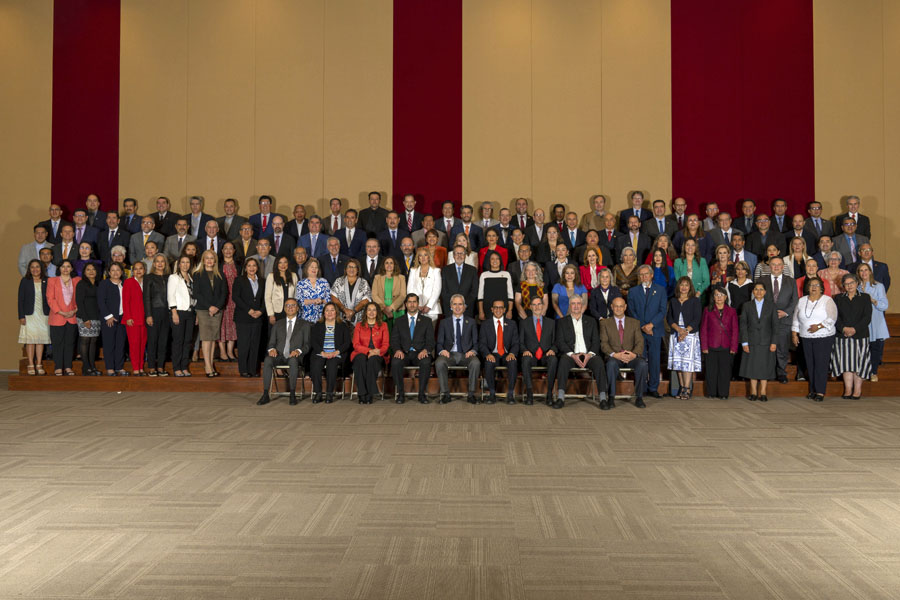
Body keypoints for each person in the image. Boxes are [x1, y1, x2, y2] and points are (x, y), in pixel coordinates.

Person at [554, 295, 608, 409]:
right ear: (570, 306)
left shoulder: (591, 321)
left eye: (578, 303)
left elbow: (596, 342)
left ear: (582, 305)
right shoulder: (562, 322)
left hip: (588, 355)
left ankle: (603, 398)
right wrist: (573, 355)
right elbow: (560, 342)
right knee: (563, 361)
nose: (576, 306)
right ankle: (560, 397)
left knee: (599, 362)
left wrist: (589, 355)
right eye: (573, 304)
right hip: (570, 355)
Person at [791, 277, 836, 402]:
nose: (814, 287)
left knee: (820, 364)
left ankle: (820, 391)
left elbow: (832, 318)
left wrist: (819, 326)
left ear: (821, 287)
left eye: (816, 285)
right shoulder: (801, 300)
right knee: (810, 364)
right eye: (811, 285)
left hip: (823, 337)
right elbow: (795, 318)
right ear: (807, 287)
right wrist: (794, 334)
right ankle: (812, 390)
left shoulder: (827, 300)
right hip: (806, 337)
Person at [257, 298, 310, 406]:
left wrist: (298, 351)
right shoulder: (277, 324)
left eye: (293, 305)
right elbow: (271, 343)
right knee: (267, 360)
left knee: (293, 361)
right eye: (287, 305)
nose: (290, 307)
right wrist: (271, 350)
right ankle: (266, 394)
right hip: (279, 355)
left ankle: (292, 394)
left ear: (298, 308)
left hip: (294, 356)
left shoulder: (305, 325)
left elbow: (308, 345)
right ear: (284, 308)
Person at [600, 296, 648, 407]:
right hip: (615, 356)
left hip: (631, 356)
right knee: (611, 364)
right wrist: (615, 355)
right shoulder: (605, 323)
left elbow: (640, 342)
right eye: (616, 306)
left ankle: (639, 397)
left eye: (621, 306)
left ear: (625, 307)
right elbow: (604, 343)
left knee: (642, 364)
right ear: (611, 307)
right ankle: (611, 397)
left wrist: (634, 354)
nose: (618, 308)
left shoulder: (634, 322)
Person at [831, 274, 873, 399]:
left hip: (860, 335)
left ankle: (857, 390)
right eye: (846, 284)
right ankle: (848, 389)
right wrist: (843, 328)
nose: (849, 286)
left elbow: (867, 317)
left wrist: (854, 329)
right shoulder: (838, 298)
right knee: (845, 363)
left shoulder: (865, 298)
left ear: (857, 283)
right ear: (843, 286)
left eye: (852, 283)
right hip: (842, 336)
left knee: (859, 364)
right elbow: (834, 317)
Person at [434, 294, 481, 404]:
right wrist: (442, 350)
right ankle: (446, 394)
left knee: (476, 363)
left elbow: (476, 343)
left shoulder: (472, 322)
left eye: (460, 304)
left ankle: (471, 394)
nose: (457, 307)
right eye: (455, 304)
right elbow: (439, 343)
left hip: (466, 354)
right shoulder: (444, 322)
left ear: (464, 306)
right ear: (450, 306)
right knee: (439, 362)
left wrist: (473, 351)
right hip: (449, 354)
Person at [627, 265, 666, 398]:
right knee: (641, 360)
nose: (644, 277)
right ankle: (641, 388)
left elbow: (662, 310)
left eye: (646, 274)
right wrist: (643, 326)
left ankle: (653, 388)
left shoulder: (660, 290)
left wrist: (651, 325)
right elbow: (631, 311)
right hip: (639, 331)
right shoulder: (633, 291)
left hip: (655, 330)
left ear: (651, 275)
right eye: (641, 275)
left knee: (655, 360)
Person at [389, 294, 435, 404]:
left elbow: (431, 341)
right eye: (409, 302)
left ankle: (422, 394)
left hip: (420, 353)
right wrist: (397, 350)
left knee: (426, 362)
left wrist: (425, 350)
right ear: (405, 304)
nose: (412, 304)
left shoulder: (426, 321)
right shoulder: (399, 321)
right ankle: (400, 394)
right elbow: (394, 340)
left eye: (414, 302)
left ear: (418, 304)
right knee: (395, 362)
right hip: (404, 353)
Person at [740, 282, 779, 401]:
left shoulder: (771, 306)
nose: (758, 292)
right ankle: (752, 392)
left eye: (761, 289)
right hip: (751, 342)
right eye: (756, 289)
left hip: (766, 342)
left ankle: (763, 392)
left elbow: (775, 326)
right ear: (753, 291)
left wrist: (774, 342)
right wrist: (745, 342)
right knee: (752, 367)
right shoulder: (747, 306)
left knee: (764, 367)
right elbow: (743, 325)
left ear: (765, 292)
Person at [761, 257, 797, 384]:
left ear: (783, 267)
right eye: (773, 265)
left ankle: (781, 372)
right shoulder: (761, 280)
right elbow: (758, 299)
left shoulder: (791, 281)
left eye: (779, 265)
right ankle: (769, 373)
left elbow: (794, 300)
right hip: (766, 320)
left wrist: (786, 312)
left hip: (784, 319)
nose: (776, 267)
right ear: (769, 266)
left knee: (782, 348)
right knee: (767, 348)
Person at [666, 277, 702, 399]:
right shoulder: (673, 301)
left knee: (687, 364)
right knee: (678, 364)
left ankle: (687, 388)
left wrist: (685, 331)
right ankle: (681, 387)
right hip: (676, 333)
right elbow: (669, 318)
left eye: (686, 285)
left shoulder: (695, 301)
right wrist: (678, 330)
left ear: (690, 287)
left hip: (690, 335)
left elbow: (697, 319)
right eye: (682, 285)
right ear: (678, 287)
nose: (684, 287)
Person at [700, 286, 738, 399]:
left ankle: (723, 393)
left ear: (726, 297)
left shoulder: (732, 311)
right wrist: (704, 346)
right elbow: (703, 329)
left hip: (726, 345)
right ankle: (711, 393)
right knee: (711, 371)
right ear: (713, 297)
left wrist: (734, 347)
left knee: (725, 371)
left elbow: (735, 330)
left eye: (721, 295)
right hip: (711, 345)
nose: (719, 297)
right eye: (716, 295)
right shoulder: (708, 310)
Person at [192, 250, 226, 377]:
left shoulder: (220, 274)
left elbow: (224, 293)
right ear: (203, 260)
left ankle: (211, 364)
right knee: (206, 338)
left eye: (212, 258)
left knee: (213, 339)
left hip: (217, 310)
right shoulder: (197, 274)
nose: (210, 260)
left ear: (215, 260)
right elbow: (196, 293)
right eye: (207, 258)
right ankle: (207, 366)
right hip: (203, 310)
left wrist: (216, 307)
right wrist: (209, 307)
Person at [308, 302, 351, 403]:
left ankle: (329, 393)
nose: (329, 312)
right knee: (316, 364)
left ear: (336, 312)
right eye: (327, 310)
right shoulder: (318, 325)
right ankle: (318, 393)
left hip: (337, 353)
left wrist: (336, 352)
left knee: (332, 364)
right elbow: (313, 342)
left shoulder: (342, 326)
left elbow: (347, 343)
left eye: (332, 310)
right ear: (324, 313)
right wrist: (322, 352)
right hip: (321, 353)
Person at [519, 294, 558, 406]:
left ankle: (549, 394)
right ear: (530, 307)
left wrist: (553, 349)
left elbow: (556, 342)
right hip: (531, 354)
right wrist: (524, 350)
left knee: (553, 359)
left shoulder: (551, 323)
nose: (537, 307)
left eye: (539, 304)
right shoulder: (524, 323)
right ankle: (530, 394)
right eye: (534, 305)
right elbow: (520, 342)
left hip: (546, 354)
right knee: (525, 360)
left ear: (543, 306)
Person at [479, 299, 519, 405]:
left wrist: (512, 353)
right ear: (492, 309)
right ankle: (491, 394)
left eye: (500, 307)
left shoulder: (512, 324)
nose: (498, 310)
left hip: (507, 354)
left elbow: (516, 343)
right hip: (493, 354)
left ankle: (510, 394)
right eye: (495, 307)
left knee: (513, 362)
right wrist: (488, 354)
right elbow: (482, 344)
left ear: (504, 310)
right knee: (488, 362)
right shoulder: (485, 324)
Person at [232, 257, 265, 378]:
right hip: (243, 317)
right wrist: (249, 310)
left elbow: (264, 300)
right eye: (249, 266)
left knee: (254, 345)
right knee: (244, 344)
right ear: (245, 268)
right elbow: (236, 297)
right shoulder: (239, 280)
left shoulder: (262, 281)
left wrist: (261, 312)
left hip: (258, 318)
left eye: (254, 266)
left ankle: (253, 369)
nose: (252, 268)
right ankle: (244, 370)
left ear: (257, 268)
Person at [351, 302, 390, 405]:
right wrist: (368, 351)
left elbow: (386, 344)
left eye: (374, 310)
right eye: (369, 310)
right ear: (365, 312)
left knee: (372, 361)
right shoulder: (359, 325)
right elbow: (356, 344)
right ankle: (362, 393)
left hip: (378, 354)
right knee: (360, 360)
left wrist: (378, 351)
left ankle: (368, 394)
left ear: (377, 312)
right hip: (361, 353)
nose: (371, 312)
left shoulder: (383, 326)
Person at [856, 263, 889, 382]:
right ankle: (864, 372)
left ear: (870, 272)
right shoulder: (856, 287)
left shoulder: (878, 286)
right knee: (863, 350)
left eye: (866, 270)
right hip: (862, 323)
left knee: (875, 349)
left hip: (876, 321)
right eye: (861, 271)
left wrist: (872, 300)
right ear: (858, 273)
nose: (864, 273)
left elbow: (884, 305)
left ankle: (873, 372)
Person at [46, 260, 80, 376]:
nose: (65, 269)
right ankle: (58, 367)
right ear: (59, 269)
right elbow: (50, 299)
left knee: (70, 343)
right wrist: (61, 312)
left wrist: (74, 310)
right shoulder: (52, 281)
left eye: (68, 266)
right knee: (57, 343)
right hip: (57, 317)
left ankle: (68, 367)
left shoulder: (77, 281)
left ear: (71, 269)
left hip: (72, 316)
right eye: (63, 266)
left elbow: (79, 298)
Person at [18, 259, 50, 375]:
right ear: (29, 269)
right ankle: (31, 364)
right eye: (32, 267)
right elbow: (20, 300)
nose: (35, 269)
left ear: (41, 268)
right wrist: (21, 316)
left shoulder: (47, 281)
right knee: (30, 341)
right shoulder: (25, 281)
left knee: (40, 340)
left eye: (37, 267)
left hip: (43, 315)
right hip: (29, 315)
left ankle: (39, 364)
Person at [97, 263, 128, 376]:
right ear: (109, 272)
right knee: (109, 343)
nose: (115, 272)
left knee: (120, 344)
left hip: (123, 318)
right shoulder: (104, 284)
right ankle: (110, 367)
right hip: (109, 319)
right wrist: (108, 316)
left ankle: (119, 367)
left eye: (118, 270)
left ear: (122, 272)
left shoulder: (126, 284)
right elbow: (101, 301)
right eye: (113, 270)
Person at [143, 254, 171, 377]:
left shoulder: (170, 277)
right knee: (153, 340)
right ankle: (151, 367)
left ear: (165, 264)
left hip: (167, 313)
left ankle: (160, 367)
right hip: (154, 312)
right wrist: (148, 315)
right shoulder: (149, 277)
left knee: (163, 341)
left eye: (162, 262)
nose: (160, 264)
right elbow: (147, 298)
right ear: (154, 264)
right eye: (157, 262)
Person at [168, 256, 195, 377]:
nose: (185, 265)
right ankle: (176, 367)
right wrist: (174, 312)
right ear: (179, 264)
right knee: (178, 341)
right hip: (178, 312)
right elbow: (171, 296)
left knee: (187, 341)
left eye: (187, 262)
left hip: (190, 313)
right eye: (182, 262)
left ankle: (184, 366)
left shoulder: (191, 277)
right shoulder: (174, 277)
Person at [121, 261, 148, 376]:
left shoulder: (147, 281)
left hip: (145, 318)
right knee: (134, 344)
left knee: (142, 344)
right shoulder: (128, 282)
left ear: (144, 270)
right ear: (132, 271)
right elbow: (125, 301)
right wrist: (128, 317)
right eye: (135, 269)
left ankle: (141, 367)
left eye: (140, 268)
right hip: (132, 319)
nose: (138, 271)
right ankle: (136, 368)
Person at [331, 259, 371, 326]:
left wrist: (354, 311)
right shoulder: (338, 281)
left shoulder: (364, 282)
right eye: (349, 267)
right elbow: (333, 297)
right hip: (341, 318)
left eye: (354, 267)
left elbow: (366, 300)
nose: (351, 269)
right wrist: (344, 309)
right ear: (346, 269)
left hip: (359, 319)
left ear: (358, 269)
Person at [217, 241, 239, 363]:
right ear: (222, 250)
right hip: (221, 299)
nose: (228, 250)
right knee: (221, 325)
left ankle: (230, 351)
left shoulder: (239, 264)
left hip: (235, 299)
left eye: (231, 248)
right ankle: (222, 352)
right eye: (226, 248)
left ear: (234, 250)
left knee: (232, 325)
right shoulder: (218, 264)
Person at [406, 248, 442, 321]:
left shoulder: (436, 271)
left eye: (425, 255)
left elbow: (437, 290)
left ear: (429, 257)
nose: (423, 258)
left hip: (432, 310)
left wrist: (429, 306)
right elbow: (410, 290)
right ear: (418, 258)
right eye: (420, 256)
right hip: (416, 309)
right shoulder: (413, 271)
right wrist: (416, 305)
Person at [441, 246, 478, 318]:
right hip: (450, 309)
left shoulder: (472, 270)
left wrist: (464, 305)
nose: (459, 256)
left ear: (465, 255)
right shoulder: (445, 270)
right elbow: (444, 291)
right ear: (453, 255)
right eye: (457, 253)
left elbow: (474, 291)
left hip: (467, 309)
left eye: (462, 253)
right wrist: (453, 305)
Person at [372, 256, 406, 327]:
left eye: (391, 263)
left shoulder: (401, 278)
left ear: (394, 265)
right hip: (382, 310)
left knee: (397, 334)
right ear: (383, 265)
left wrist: (391, 307)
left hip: (398, 310)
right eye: (386, 263)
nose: (389, 265)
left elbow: (403, 295)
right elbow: (374, 295)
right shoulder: (377, 278)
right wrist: (384, 308)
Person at [478, 251, 514, 320]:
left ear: (500, 261)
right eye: (492, 259)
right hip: (487, 308)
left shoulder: (506, 274)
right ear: (489, 261)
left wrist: (510, 310)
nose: (495, 261)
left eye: (497, 259)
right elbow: (480, 296)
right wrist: (481, 311)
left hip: (503, 308)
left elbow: (510, 295)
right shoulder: (484, 275)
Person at [295, 258, 331, 323]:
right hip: (305, 318)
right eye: (312, 267)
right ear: (307, 269)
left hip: (322, 317)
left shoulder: (324, 282)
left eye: (316, 267)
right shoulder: (301, 283)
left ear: (318, 270)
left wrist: (322, 301)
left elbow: (329, 299)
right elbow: (299, 301)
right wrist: (313, 301)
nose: (314, 269)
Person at [265, 256, 299, 323]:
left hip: (290, 311)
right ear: (277, 264)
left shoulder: (294, 276)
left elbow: (296, 295)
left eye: (285, 262)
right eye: (280, 263)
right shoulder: (271, 276)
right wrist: (271, 314)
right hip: (276, 312)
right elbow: (267, 297)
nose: (283, 265)